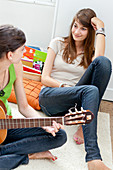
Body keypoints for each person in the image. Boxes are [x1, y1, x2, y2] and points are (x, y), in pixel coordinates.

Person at [39, 8, 112, 170]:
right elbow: (44, 78)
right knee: (90, 90)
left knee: (104, 63)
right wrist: (66, 87)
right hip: (51, 96)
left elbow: (100, 58)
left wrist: (101, 27)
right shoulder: (57, 43)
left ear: (90, 32)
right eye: (75, 26)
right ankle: (93, 155)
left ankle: (85, 132)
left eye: (83, 28)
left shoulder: (90, 54)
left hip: (74, 102)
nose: (77, 32)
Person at [0, 24, 67, 170]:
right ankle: (24, 155)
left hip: (4, 125)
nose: (24, 53)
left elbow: (23, 107)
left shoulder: (16, 67)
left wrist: (44, 122)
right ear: (10, 55)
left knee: (59, 135)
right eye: (22, 49)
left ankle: (5, 153)